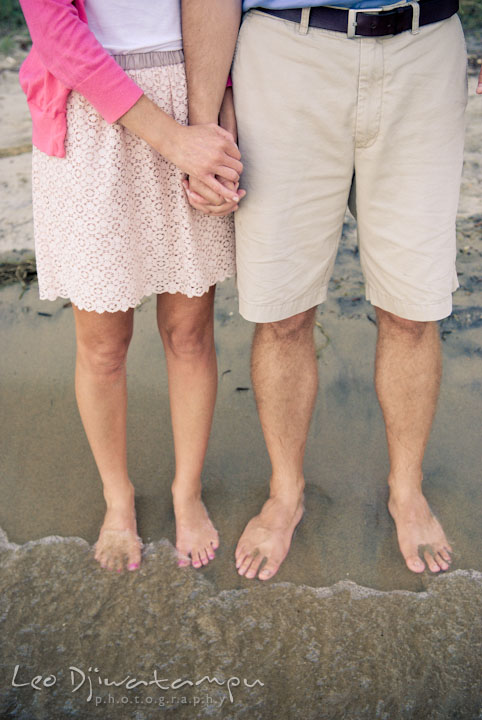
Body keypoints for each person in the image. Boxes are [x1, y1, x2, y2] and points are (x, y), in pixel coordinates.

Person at [183, 0, 482, 580]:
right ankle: (285, 491)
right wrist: (202, 120)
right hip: (286, 52)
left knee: (414, 308)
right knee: (283, 312)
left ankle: (407, 488)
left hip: (426, 48)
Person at [19, 0, 244, 572]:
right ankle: (117, 500)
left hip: (190, 89)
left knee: (189, 333)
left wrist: (219, 118)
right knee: (102, 345)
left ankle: (186, 493)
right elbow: (53, 28)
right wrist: (173, 140)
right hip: (93, 110)